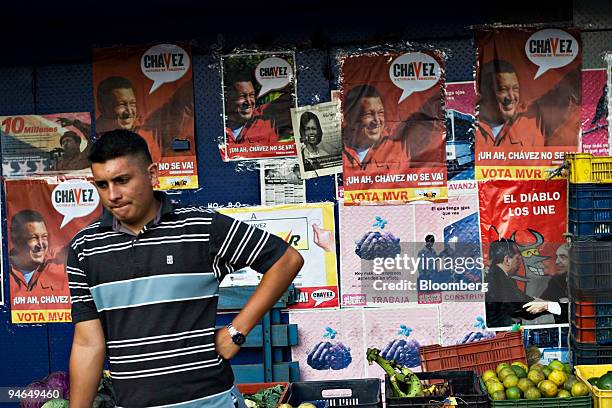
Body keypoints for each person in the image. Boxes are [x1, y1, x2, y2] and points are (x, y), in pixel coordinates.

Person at [67, 130, 304, 408]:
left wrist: (236, 332)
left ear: (152, 174)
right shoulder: (85, 247)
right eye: (102, 185)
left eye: (122, 180)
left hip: (211, 401)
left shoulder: (201, 228)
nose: (113, 195)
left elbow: (286, 260)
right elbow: (87, 344)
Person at [476, 59, 579, 147]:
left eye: (515, 89)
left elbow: (565, 89)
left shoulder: (533, 114)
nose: (511, 97)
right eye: (503, 89)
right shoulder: (470, 126)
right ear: (485, 91)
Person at [342, 84, 442, 172]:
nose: (377, 121)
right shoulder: (336, 149)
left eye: (381, 113)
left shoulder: (396, 150)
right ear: (350, 118)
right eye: (368, 114)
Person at [95, 76, 194, 160]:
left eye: (132, 104)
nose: (129, 111)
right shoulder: (90, 141)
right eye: (121, 104)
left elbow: (181, 103)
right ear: (102, 106)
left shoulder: (148, 132)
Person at [8, 210, 69, 308]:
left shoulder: (60, 267)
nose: (41, 245)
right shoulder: (4, 273)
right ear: (16, 242)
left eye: (44, 237)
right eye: (33, 238)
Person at [485, 239, 549, 327]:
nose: (520, 263)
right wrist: (549, 305)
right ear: (507, 260)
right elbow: (523, 305)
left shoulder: (496, 275)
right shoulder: (499, 280)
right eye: (518, 258)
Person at [224, 68, 293, 150]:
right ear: (228, 99)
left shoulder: (266, 117)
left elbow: (291, 97)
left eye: (252, 95)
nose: (249, 102)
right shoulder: (218, 128)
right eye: (242, 96)